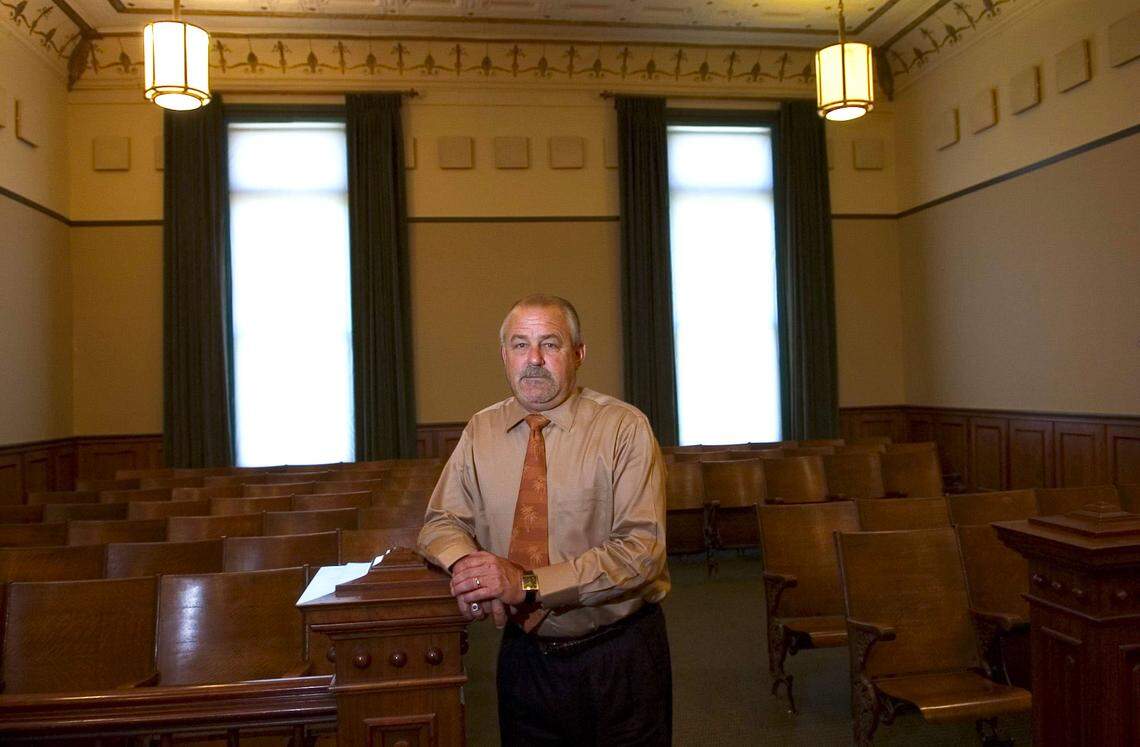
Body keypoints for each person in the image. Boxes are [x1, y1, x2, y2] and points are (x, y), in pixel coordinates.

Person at [417, 293, 672, 745]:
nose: (533, 359)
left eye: (550, 344)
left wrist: (528, 584)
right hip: (524, 658)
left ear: (578, 354)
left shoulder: (624, 428)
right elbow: (441, 521)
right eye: (520, 345)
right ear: (504, 356)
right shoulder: (481, 430)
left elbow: (641, 553)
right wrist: (468, 570)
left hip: (618, 656)